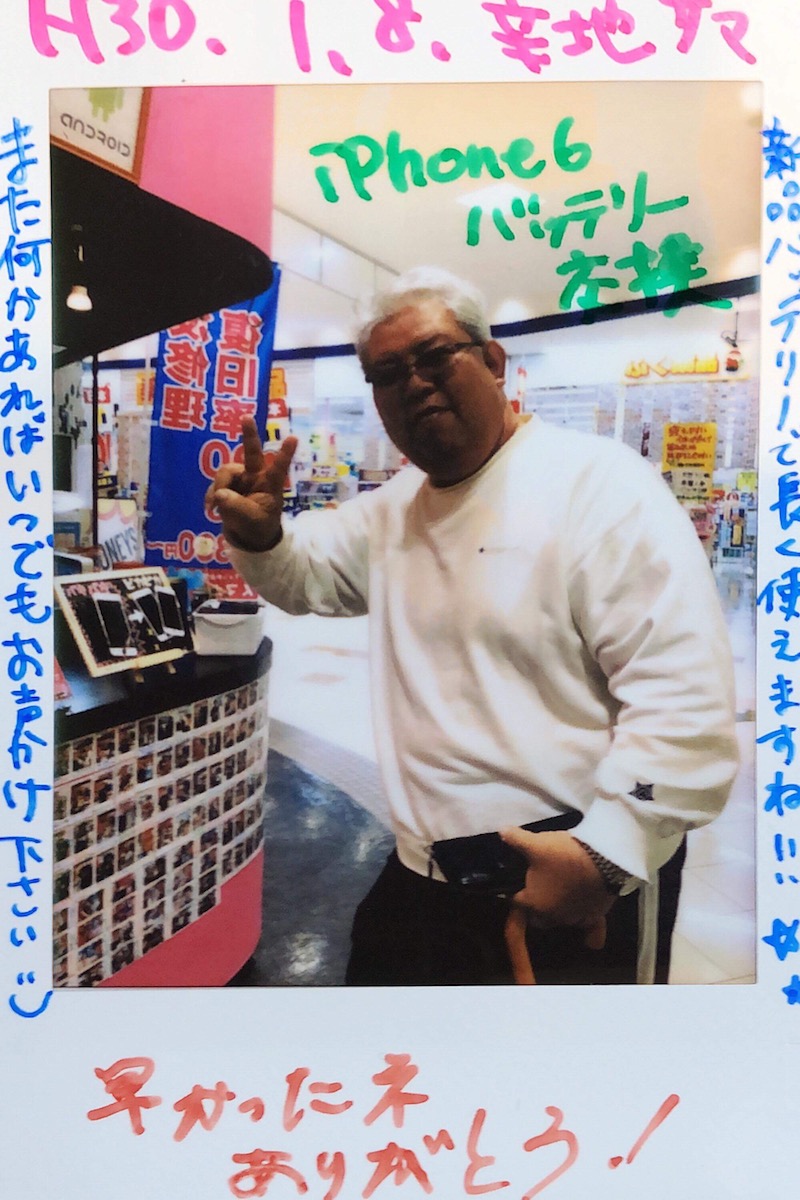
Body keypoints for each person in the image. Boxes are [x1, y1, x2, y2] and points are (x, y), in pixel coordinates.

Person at [209, 266, 739, 987]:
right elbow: (306, 577)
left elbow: (685, 697)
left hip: (572, 867)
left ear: (493, 361)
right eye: (387, 373)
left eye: (434, 356)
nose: (414, 383)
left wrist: (611, 851)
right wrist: (261, 535)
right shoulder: (394, 509)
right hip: (425, 869)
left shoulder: (600, 486)